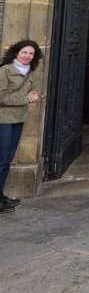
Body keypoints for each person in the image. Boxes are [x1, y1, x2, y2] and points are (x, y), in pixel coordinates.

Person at [0, 40, 42, 212]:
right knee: (2, 160)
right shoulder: (4, 71)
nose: (27, 56)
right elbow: (1, 97)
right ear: (16, 53)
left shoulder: (30, 74)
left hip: (18, 119)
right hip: (4, 120)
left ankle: (1, 195)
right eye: (24, 52)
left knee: (7, 160)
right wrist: (26, 98)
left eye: (31, 54)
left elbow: (28, 92)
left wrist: (31, 94)